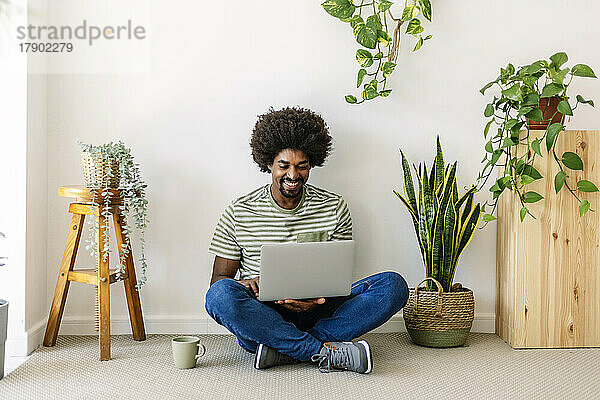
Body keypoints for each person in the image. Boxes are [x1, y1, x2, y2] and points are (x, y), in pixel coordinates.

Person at [205, 107, 409, 374]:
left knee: (393, 286)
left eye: (302, 166)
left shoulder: (333, 206)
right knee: (219, 296)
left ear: (312, 164)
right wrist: (248, 283)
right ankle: (320, 351)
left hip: (320, 307)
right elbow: (219, 279)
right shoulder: (239, 210)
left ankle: (281, 348)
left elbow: (339, 273)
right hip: (265, 313)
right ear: (268, 163)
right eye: (284, 166)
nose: (293, 175)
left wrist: (316, 298)